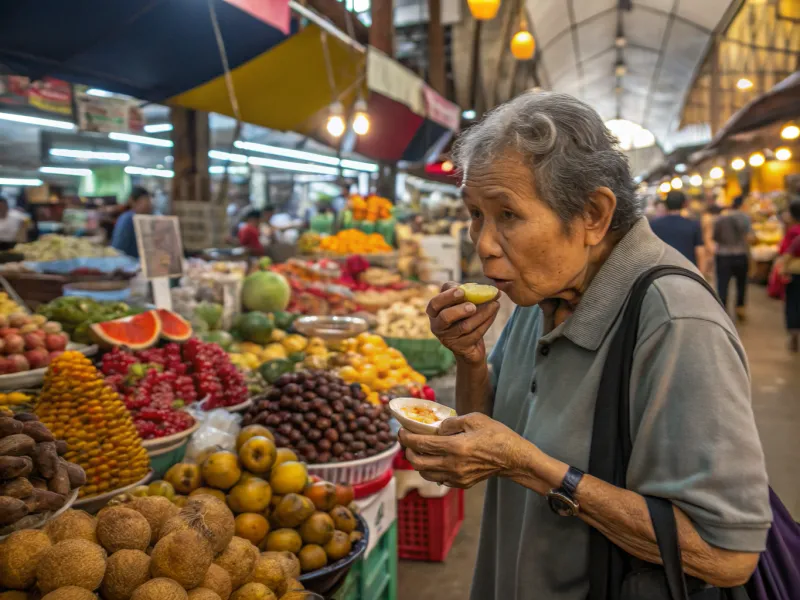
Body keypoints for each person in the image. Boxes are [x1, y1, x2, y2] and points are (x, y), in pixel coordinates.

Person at [399, 92, 770, 600]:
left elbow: (728, 557)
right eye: (476, 214)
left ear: (593, 214)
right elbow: (489, 428)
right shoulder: (540, 293)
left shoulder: (676, 321)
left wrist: (532, 468)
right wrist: (470, 357)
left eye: (507, 215)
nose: (481, 242)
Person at [713, 195, 752, 320]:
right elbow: (750, 237)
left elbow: (715, 237)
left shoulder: (721, 218)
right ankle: (740, 308)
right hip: (741, 254)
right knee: (741, 284)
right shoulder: (745, 218)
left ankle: (723, 310)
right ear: (742, 204)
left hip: (723, 255)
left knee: (723, 284)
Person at [650, 190, 706, 272]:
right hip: (688, 272)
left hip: (662, 272)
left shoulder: (653, 225)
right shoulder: (693, 225)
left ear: (666, 205)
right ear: (684, 204)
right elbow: (700, 252)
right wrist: (701, 274)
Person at [777, 200, 800, 351]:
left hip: (795, 271)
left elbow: (787, 250)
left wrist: (782, 268)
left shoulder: (793, 231)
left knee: (793, 303)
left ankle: (793, 334)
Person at [111, 187, 153, 258]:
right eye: (144, 201)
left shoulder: (148, 218)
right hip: (128, 264)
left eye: (149, 201)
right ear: (133, 202)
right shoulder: (127, 219)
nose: (148, 205)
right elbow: (118, 248)